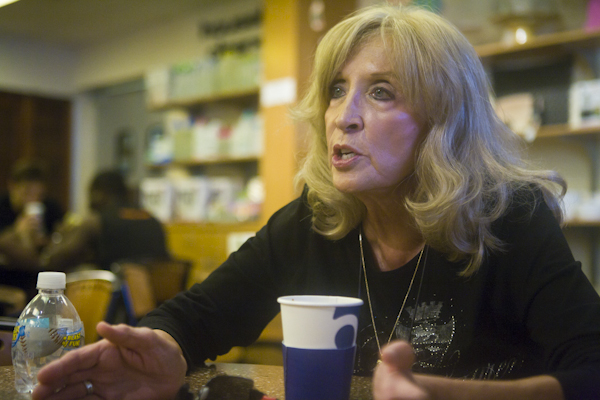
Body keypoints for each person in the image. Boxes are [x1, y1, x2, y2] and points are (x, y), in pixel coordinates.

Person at [32, 5, 600, 400]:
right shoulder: (316, 220)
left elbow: (592, 367)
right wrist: (164, 350)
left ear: (443, 121)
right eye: (336, 89)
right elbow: (201, 314)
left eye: (381, 92)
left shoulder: (508, 217)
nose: (343, 116)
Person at [40, 170, 170, 271]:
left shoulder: (95, 222)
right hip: (159, 293)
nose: (89, 203)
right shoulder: (152, 218)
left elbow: (54, 261)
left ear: (98, 194)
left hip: (118, 294)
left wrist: (62, 236)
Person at [0, 159, 64, 300]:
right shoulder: (3, 208)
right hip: (7, 276)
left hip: (38, 274)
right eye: (27, 193)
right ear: (12, 186)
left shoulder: (50, 208)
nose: (33, 200)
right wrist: (16, 231)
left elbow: (61, 236)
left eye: (39, 195)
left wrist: (45, 241)